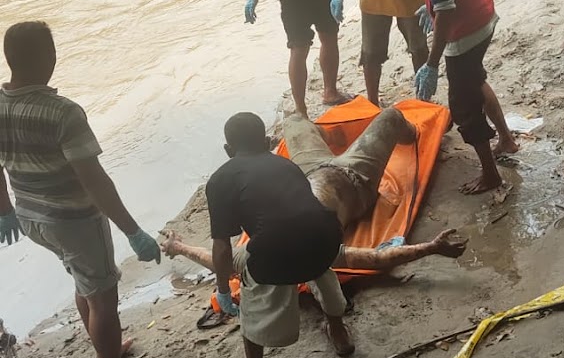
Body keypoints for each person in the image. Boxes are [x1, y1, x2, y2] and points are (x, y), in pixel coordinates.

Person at [0, 21, 161, 358]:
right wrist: (133, 231)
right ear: (48, 58)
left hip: (32, 219)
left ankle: (108, 346)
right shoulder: (63, 113)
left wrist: (6, 210)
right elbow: (95, 181)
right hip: (74, 220)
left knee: (83, 283)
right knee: (104, 296)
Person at [163, 106, 466, 308]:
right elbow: (378, 259)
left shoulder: (276, 243)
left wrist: (180, 247)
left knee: (293, 119)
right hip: (353, 179)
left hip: (305, 169)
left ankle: (333, 138)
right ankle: (416, 133)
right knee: (391, 117)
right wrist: (431, 247)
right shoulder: (321, 245)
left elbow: (222, 259)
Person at [371, 0, 517, 195]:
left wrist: (432, 62)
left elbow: (448, 10)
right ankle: (506, 138)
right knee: (475, 79)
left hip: (464, 31)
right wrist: (430, 6)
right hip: (484, 12)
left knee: (463, 106)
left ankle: (491, 174)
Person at [205, 112, 353, 358]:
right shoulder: (286, 165)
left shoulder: (220, 180)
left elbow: (222, 249)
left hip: (276, 255)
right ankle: (339, 334)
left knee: (252, 304)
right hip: (326, 241)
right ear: (265, 141)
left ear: (228, 150)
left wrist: (224, 289)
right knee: (321, 272)